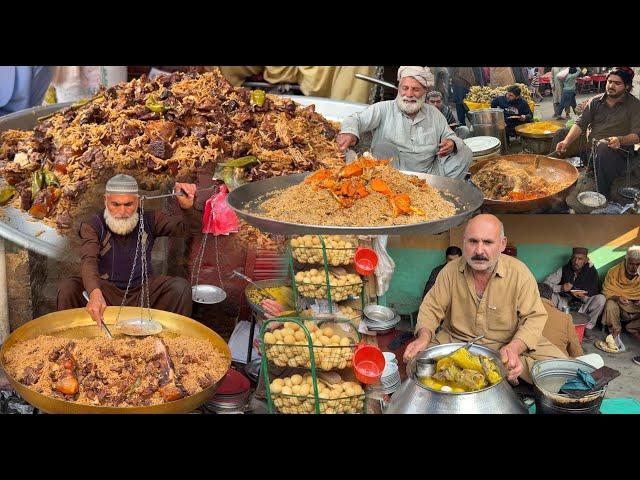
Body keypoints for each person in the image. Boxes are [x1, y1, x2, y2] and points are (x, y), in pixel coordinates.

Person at [403, 214, 566, 384]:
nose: (479, 251)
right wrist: (424, 336)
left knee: (561, 372)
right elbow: (431, 308)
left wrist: (515, 347)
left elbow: (534, 317)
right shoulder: (450, 271)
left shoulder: (519, 273)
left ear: (502, 244)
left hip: (507, 344)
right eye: (473, 241)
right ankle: (499, 372)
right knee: (417, 363)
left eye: (488, 242)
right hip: (458, 342)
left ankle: (514, 368)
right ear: (463, 242)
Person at [56, 174, 199, 328]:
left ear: (138, 201)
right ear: (106, 201)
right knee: (68, 288)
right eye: (115, 204)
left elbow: (189, 229)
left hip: (142, 291)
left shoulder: (150, 219)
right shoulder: (93, 225)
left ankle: (172, 343)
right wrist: (95, 293)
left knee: (180, 288)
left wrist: (187, 207)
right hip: (106, 290)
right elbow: (88, 259)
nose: (122, 211)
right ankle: (70, 342)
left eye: (128, 204)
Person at [337, 66, 473, 179]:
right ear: (399, 89)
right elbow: (356, 119)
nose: (409, 94)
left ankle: (438, 190)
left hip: (429, 174)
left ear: (424, 92)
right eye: (405, 88)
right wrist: (350, 132)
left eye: (415, 89)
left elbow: (449, 134)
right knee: (384, 148)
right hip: (391, 175)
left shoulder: (434, 114)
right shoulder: (384, 108)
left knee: (464, 153)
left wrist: (451, 143)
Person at [554, 67, 640, 198]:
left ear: (627, 86)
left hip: (618, 152)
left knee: (603, 147)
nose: (611, 86)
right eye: (609, 81)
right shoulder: (596, 101)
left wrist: (620, 140)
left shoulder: (634, 105)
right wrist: (566, 141)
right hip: (591, 148)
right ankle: (555, 181)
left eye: (617, 83)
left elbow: (637, 135)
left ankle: (603, 195)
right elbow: (580, 124)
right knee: (561, 133)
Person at [543, 247, 606, 334]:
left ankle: (587, 328)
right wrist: (561, 288)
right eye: (574, 258)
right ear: (571, 258)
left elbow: (593, 294)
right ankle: (553, 323)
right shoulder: (565, 269)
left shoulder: (592, 272)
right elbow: (545, 284)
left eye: (580, 259)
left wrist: (583, 297)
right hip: (564, 305)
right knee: (548, 294)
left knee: (601, 299)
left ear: (586, 260)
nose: (576, 262)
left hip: (583, 307)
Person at [601, 245, 640, 342]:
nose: (634, 268)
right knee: (610, 304)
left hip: (636, 308)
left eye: (638, 264)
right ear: (625, 260)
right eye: (631, 264)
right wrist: (617, 298)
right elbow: (606, 290)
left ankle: (632, 327)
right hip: (620, 305)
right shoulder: (613, 271)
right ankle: (615, 331)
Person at [538, 283, 584, 358]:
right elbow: (576, 350)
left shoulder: (522, 312)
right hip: (559, 364)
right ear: (551, 298)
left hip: (529, 364)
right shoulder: (565, 318)